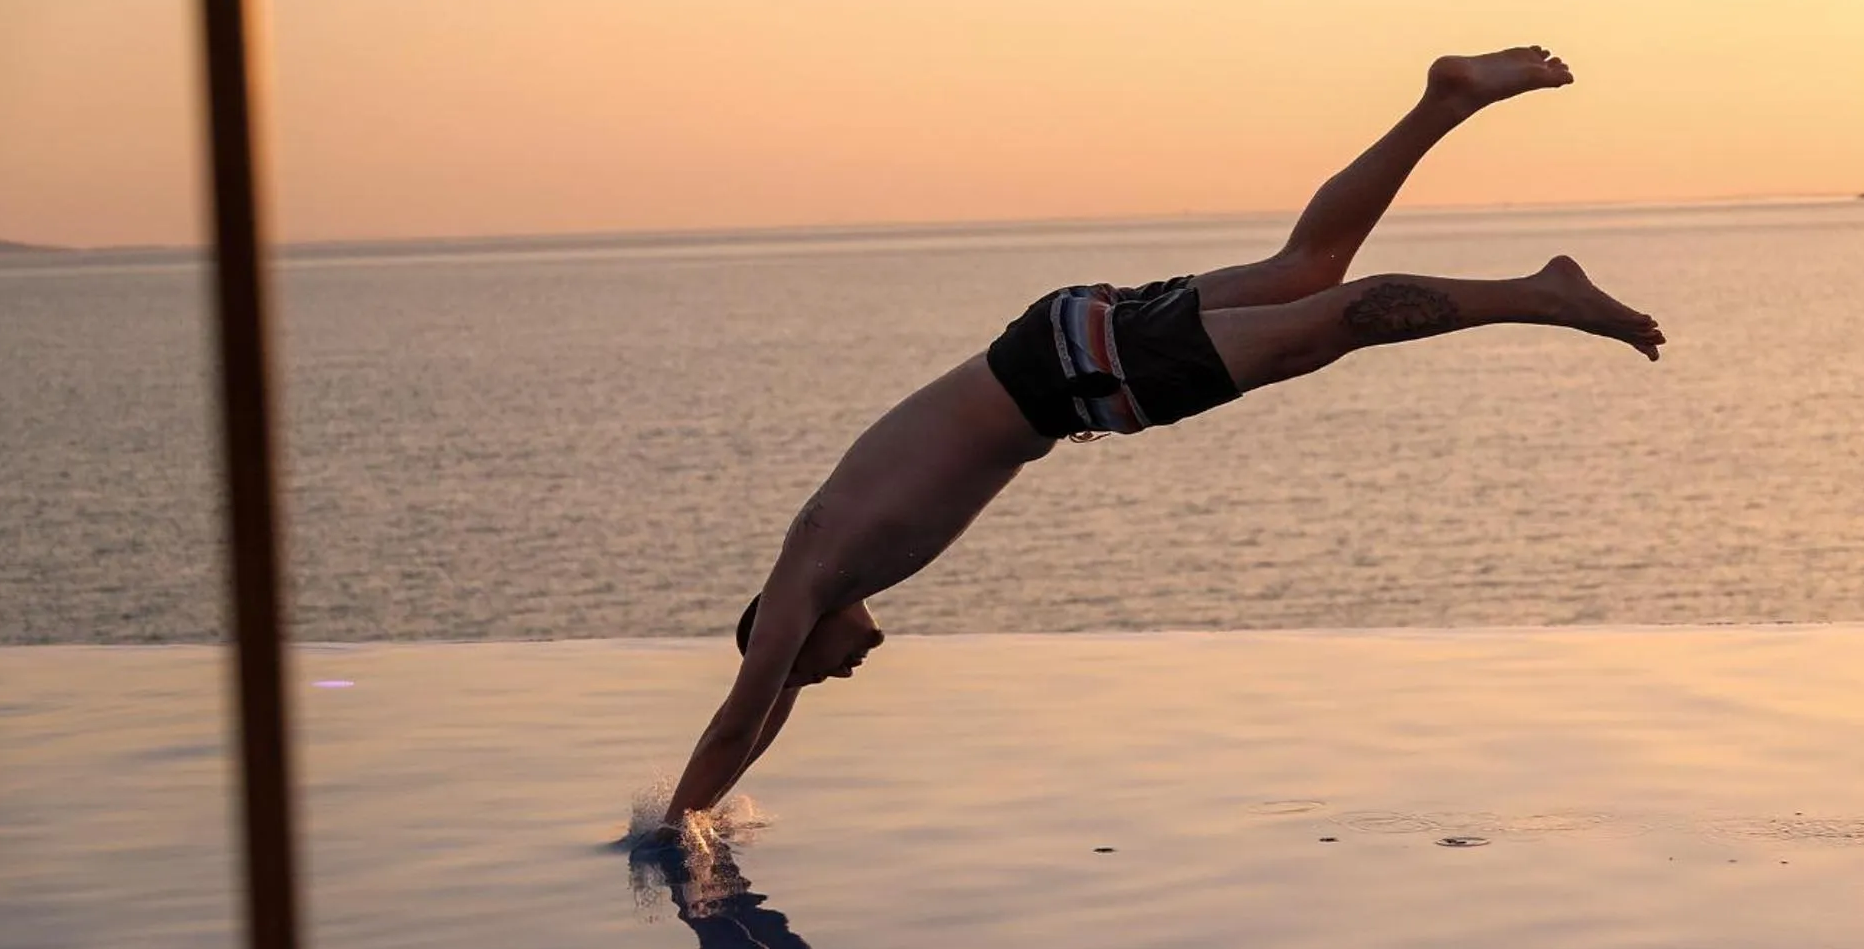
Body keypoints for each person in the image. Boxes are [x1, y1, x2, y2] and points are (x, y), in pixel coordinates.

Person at [665, 46, 1665, 823]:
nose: (844, 673)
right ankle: (1444, 100)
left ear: (785, 641)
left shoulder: (807, 575)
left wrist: (674, 828)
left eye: (815, 669)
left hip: (1068, 378)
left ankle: (1541, 294)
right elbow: (764, 725)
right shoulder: (832, 570)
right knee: (1310, 266)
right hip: (1059, 338)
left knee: (1327, 324)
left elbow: (741, 718)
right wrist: (742, 762)